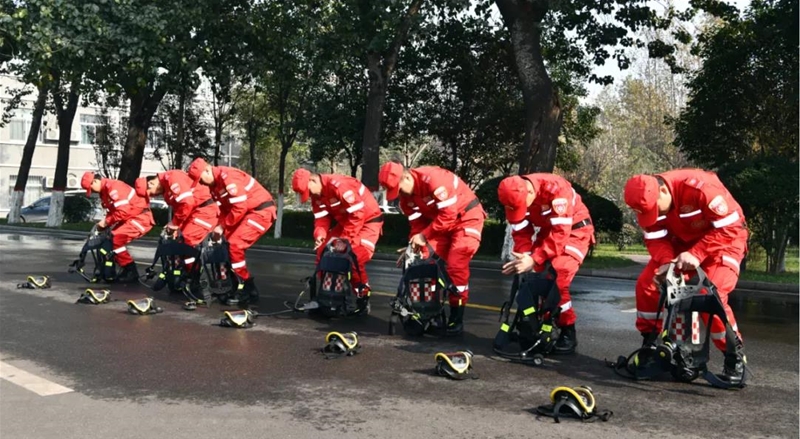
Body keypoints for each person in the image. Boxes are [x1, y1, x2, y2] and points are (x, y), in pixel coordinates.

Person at [623, 169, 748, 384]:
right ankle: (651, 346)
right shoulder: (649, 200)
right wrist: (666, 263)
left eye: (655, 210)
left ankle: (734, 356)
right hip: (681, 247)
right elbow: (655, 237)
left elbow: (730, 228)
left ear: (663, 190)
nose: (653, 215)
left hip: (724, 244)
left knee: (711, 294)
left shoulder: (701, 189)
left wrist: (697, 253)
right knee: (647, 285)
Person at [378, 162, 486, 335]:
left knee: (456, 266)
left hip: (466, 218)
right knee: (425, 264)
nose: (400, 195)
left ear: (407, 177)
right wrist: (413, 246)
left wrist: (423, 236)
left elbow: (448, 215)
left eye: (399, 189)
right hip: (439, 225)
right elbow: (417, 225)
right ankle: (429, 312)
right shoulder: (406, 199)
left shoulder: (434, 180)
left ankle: (456, 319)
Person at [496, 174, 595, 354]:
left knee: (558, 279)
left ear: (530, 192)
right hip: (549, 231)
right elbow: (520, 230)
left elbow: (560, 234)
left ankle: (568, 331)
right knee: (533, 278)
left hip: (575, 231)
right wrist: (524, 257)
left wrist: (534, 259)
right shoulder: (513, 194)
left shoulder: (556, 189)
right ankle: (536, 326)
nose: (521, 210)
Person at [186, 157, 276, 306]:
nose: (201, 183)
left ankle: (247, 288)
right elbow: (224, 210)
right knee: (225, 245)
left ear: (207, 170)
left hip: (260, 212)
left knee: (235, 245)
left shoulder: (228, 177)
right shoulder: (214, 186)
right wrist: (218, 229)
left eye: (200, 179)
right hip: (246, 213)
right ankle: (232, 285)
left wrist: (222, 227)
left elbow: (240, 207)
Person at [291, 169, 384, 312]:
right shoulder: (317, 195)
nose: (310, 196)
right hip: (347, 223)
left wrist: (344, 240)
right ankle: (326, 294)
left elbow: (357, 214)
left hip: (367, 222)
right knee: (323, 251)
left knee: (353, 258)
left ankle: (363, 297)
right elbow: (321, 218)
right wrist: (320, 235)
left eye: (308, 191)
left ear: (313, 180)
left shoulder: (339, 185)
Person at [135, 170, 220, 298]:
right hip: (194, 213)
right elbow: (180, 209)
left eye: (151, 193)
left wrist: (175, 224)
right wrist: (176, 225)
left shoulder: (172, 178)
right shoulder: (166, 190)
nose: (154, 196)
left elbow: (187, 203)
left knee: (188, 243)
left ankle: (193, 280)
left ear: (151, 183)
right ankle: (182, 277)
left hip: (205, 211)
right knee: (180, 244)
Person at [80, 172, 154, 283]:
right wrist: (103, 225)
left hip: (140, 218)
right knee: (110, 239)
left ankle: (130, 270)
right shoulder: (105, 191)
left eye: (91, 188)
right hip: (132, 217)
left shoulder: (114, 187)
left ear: (95, 181)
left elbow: (123, 211)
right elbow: (113, 211)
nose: (93, 191)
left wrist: (105, 222)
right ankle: (121, 269)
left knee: (116, 239)